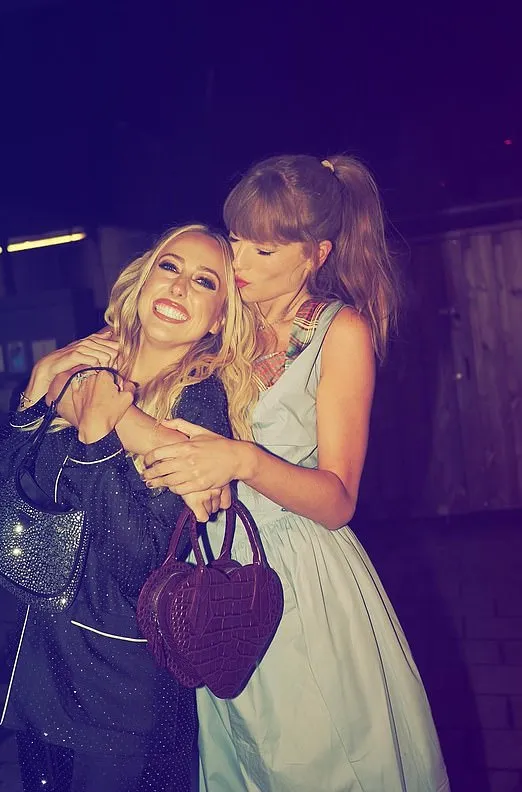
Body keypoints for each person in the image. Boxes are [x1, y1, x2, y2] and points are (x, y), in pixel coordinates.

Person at [142, 156, 450, 791]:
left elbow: (339, 500)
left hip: (301, 577)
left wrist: (242, 459)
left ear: (316, 254)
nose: (239, 266)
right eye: (234, 243)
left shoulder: (341, 333)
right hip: (215, 573)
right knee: (245, 763)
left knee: (318, 762)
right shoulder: (223, 315)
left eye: (261, 250)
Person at [0, 224, 257, 792]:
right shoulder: (88, 364)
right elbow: (10, 475)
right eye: (170, 266)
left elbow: (136, 557)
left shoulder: (199, 400)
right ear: (142, 280)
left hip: (122, 687)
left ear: (217, 320)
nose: (180, 286)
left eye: (203, 281)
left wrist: (99, 433)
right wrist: (41, 382)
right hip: (42, 665)